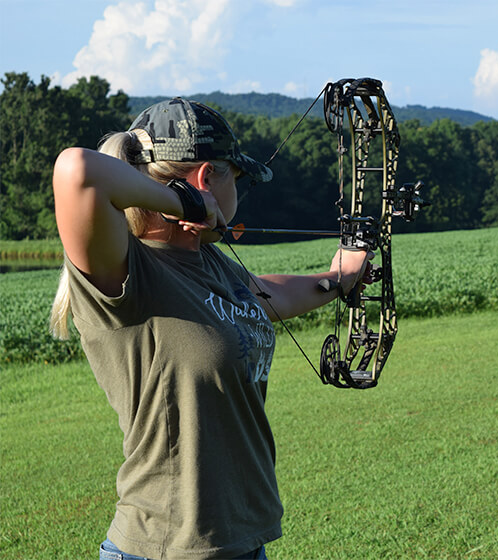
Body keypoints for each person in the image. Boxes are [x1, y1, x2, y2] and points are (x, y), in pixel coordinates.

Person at [49, 98, 371, 560]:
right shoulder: (124, 269)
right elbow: (76, 170)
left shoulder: (211, 263)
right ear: (207, 178)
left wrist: (338, 279)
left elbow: (264, 295)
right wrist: (185, 201)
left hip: (239, 543)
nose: (238, 193)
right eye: (235, 178)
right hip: (163, 548)